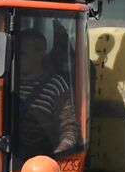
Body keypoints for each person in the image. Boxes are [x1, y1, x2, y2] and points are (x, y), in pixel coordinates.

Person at [14, 29, 79, 163]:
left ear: (40, 55)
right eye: (14, 53)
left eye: (22, 54)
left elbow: (69, 127)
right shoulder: (4, 80)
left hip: (35, 161)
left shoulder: (56, 86)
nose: (16, 58)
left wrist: (57, 156)